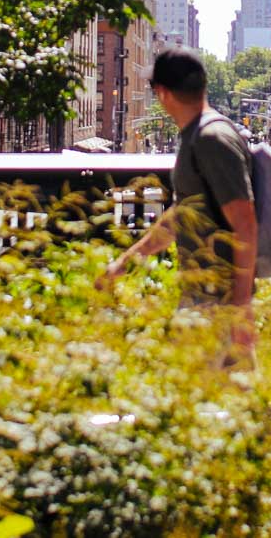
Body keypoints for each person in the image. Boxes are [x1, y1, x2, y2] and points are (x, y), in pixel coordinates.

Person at [98, 47, 257, 366]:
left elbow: (245, 223)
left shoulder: (212, 139)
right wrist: (127, 262)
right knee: (223, 402)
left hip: (216, 297)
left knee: (191, 396)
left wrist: (241, 305)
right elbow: (180, 217)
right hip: (204, 294)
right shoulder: (198, 136)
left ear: (163, 93)